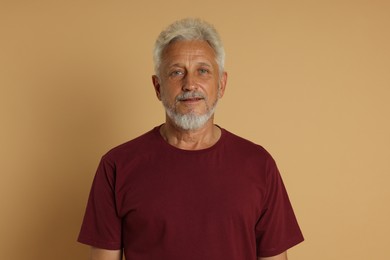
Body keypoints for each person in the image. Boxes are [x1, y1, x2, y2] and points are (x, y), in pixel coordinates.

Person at [78, 18, 304, 260]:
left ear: (222, 84)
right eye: (176, 72)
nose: (190, 84)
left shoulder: (259, 164)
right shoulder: (116, 166)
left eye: (203, 71)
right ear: (157, 87)